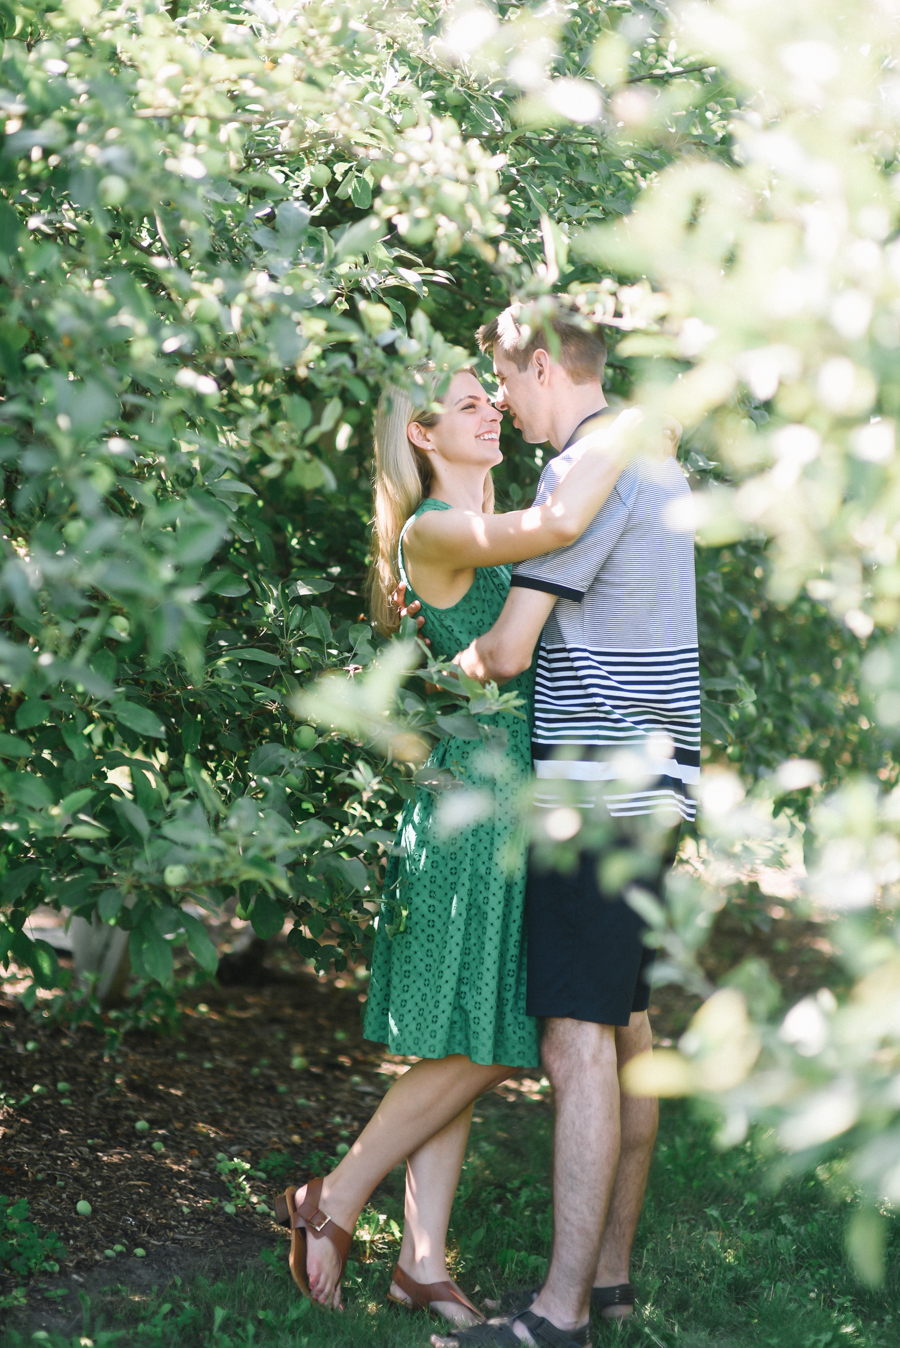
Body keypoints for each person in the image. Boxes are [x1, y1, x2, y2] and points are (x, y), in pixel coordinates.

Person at [274, 364, 656, 1321]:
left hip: (517, 799)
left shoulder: (493, 517)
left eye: (494, 397)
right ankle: (338, 1193)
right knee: (496, 1035)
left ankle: (423, 1261)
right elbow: (557, 532)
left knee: (470, 1030)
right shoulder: (436, 530)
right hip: (474, 817)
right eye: (469, 403)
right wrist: (626, 432)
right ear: (420, 434)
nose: (491, 410)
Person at [425, 303, 699, 1348]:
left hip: (591, 792)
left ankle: (558, 1314)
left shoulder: (581, 472)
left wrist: (429, 682)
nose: (503, 403)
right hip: (660, 781)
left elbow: (506, 651)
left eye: (506, 382)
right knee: (624, 1031)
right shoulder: (653, 460)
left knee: (575, 1040)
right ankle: (614, 1278)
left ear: (547, 367)